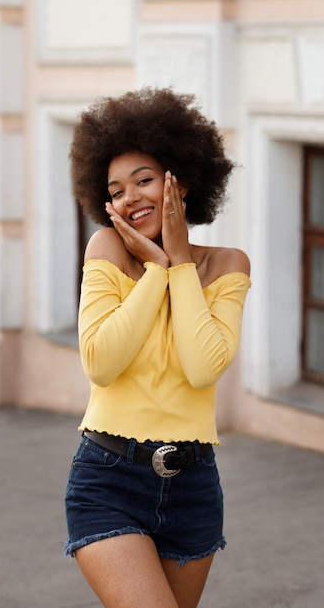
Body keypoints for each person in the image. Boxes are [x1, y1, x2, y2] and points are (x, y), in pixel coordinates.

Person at [64, 87, 251, 608]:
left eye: (144, 179)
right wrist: (157, 270)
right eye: (116, 190)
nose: (130, 198)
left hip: (193, 485)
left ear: (182, 182)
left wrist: (181, 265)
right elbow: (101, 363)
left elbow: (201, 367)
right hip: (108, 479)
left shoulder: (228, 265)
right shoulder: (106, 250)